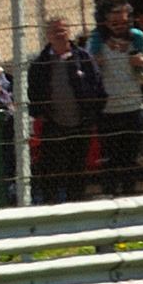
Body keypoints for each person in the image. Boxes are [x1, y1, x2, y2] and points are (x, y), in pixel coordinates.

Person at [27, 17, 105, 204]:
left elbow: (98, 87)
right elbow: (33, 93)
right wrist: (41, 114)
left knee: (77, 170)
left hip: (81, 125)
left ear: (69, 32)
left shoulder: (83, 58)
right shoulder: (40, 64)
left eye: (63, 30)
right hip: (53, 126)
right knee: (52, 172)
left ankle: (76, 206)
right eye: (55, 31)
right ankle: (52, 208)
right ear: (48, 35)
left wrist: (91, 115)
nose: (59, 34)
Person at [89, 3, 143, 197]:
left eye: (123, 22)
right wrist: (96, 65)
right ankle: (109, 198)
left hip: (133, 108)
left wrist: (142, 63)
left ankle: (129, 197)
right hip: (107, 111)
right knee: (109, 161)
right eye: (114, 22)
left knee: (130, 160)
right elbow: (87, 74)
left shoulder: (136, 40)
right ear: (105, 21)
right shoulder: (96, 41)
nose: (119, 26)